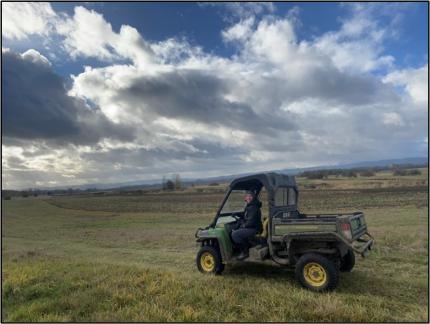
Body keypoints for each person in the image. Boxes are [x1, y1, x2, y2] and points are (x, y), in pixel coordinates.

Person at [231, 190, 263, 260]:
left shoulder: (253, 207)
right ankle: (241, 248)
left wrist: (243, 225)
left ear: (253, 197)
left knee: (235, 234)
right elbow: (245, 215)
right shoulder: (250, 206)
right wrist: (237, 214)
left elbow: (250, 221)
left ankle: (244, 252)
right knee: (235, 230)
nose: (248, 198)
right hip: (252, 227)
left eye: (250, 196)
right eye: (247, 196)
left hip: (255, 229)